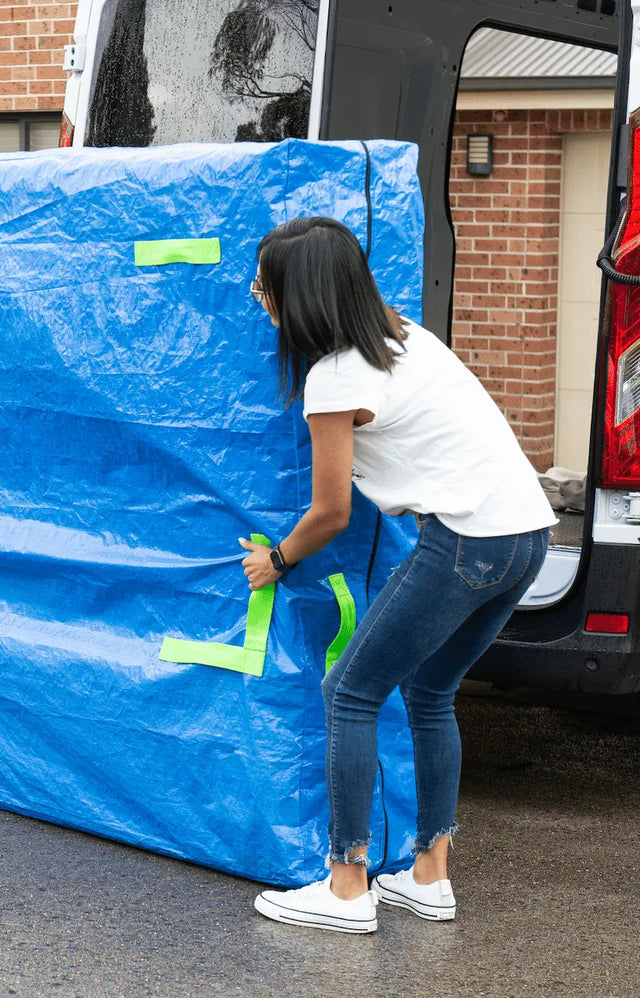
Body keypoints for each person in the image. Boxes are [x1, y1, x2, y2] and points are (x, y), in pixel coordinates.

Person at [240, 217, 555, 933]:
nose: (259, 295)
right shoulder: (408, 339)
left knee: (347, 690)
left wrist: (277, 560)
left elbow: (331, 513)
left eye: (267, 283)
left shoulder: (334, 376)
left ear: (305, 292)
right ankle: (429, 876)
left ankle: (347, 886)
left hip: (467, 542)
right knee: (430, 690)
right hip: (528, 535)